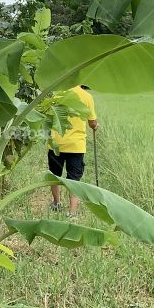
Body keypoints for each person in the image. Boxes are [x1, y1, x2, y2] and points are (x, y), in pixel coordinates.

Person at [48, 85, 98, 216]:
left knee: (54, 175)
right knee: (74, 178)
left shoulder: (57, 92)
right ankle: (72, 212)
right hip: (76, 145)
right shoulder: (87, 96)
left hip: (56, 142)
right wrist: (95, 126)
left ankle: (56, 203)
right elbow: (92, 122)